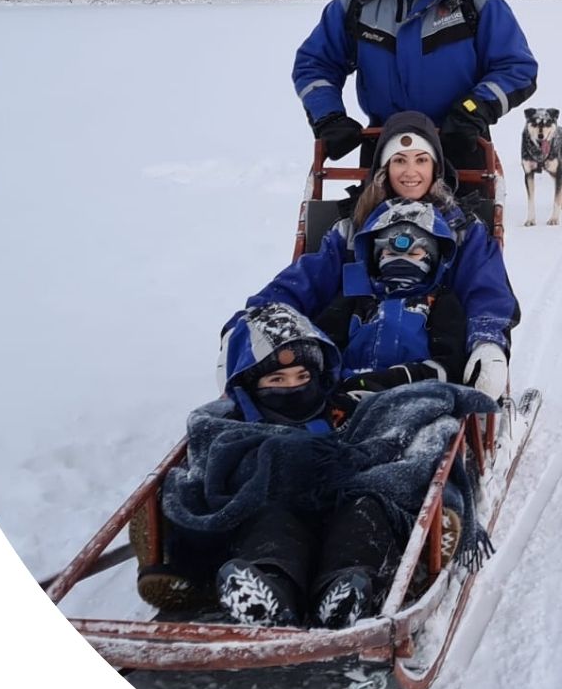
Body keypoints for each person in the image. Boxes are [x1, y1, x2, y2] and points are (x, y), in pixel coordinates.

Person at [161, 301, 497, 628]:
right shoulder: (239, 425)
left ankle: (348, 592)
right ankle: (269, 591)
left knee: (366, 510)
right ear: (250, 387)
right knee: (270, 518)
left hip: (345, 509)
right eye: (277, 380)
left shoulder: (339, 410)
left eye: (302, 376)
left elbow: (387, 428)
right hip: (282, 519)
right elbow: (217, 463)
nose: (293, 387)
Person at [234, 111, 517, 402]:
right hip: (348, 366)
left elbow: (486, 290)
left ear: (435, 167)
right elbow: (300, 284)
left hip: (431, 362)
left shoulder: (463, 230)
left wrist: (488, 343)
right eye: (399, 160)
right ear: (384, 167)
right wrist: (248, 328)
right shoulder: (352, 228)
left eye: (421, 160)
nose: (410, 172)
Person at [292, 0, 539, 174]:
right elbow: (315, 63)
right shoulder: (356, 3)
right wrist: (329, 116)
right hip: (384, 150)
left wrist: (474, 110)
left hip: (459, 144)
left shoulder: (476, 2)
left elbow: (517, 68)